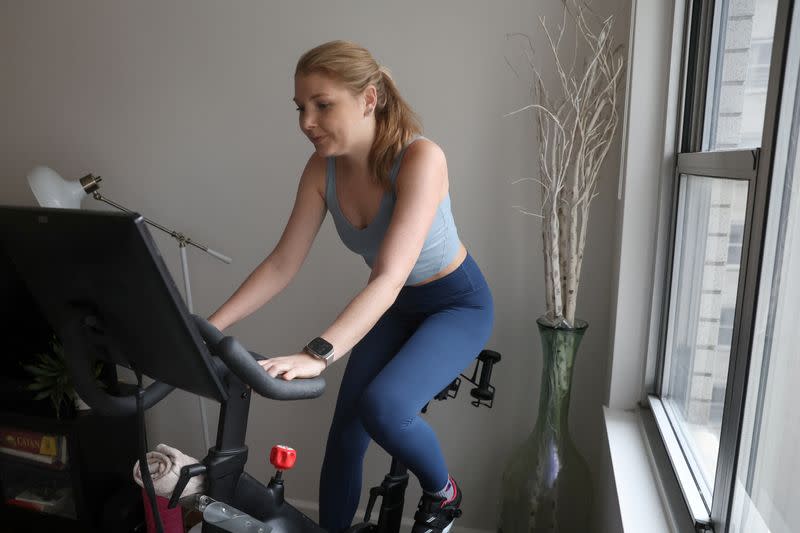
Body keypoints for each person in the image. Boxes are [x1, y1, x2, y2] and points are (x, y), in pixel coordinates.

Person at [208, 40, 494, 533]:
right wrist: (207, 327)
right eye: (301, 108)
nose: (306, 122)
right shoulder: (324, 168)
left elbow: (388, 275)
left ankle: (443, 493)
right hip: (394, 306)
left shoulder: (421, 159)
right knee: (346, 435)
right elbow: (282, 264)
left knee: (382, 407)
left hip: (456, 305)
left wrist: (317, 353)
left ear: (369, 98)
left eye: (322, 105)